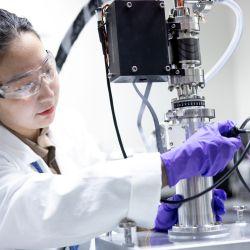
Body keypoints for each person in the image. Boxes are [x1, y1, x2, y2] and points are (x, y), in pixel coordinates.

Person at [0, 9, 241, 250]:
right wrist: (167, 167)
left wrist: (148, 221)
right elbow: (45, 210)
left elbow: (94, 202)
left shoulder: (67, 126)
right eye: (26, 86)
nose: (48, 93)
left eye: (47, 70)